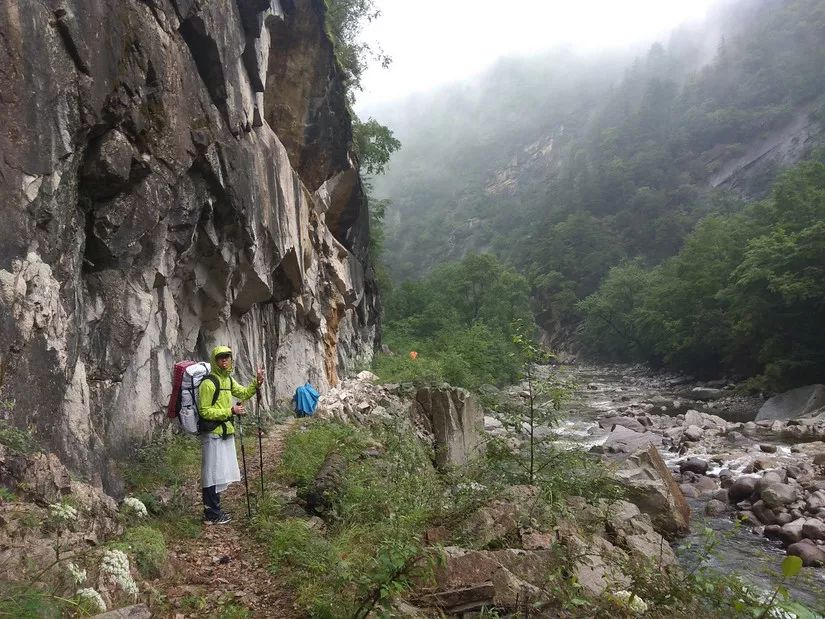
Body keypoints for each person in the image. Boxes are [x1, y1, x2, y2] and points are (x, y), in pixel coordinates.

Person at [198, 345, 264, 524]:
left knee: (218, 472)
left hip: (224, 433)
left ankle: (215, 511)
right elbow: (204, 411)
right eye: (221, 357)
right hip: (212, 433)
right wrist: (230, 411)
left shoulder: (228, 380)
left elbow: (243, 392)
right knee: (211, 473)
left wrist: (257, 382)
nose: (225, 360)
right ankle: (211, 515)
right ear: (215, 360)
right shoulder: (208, 383)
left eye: (227, 357)